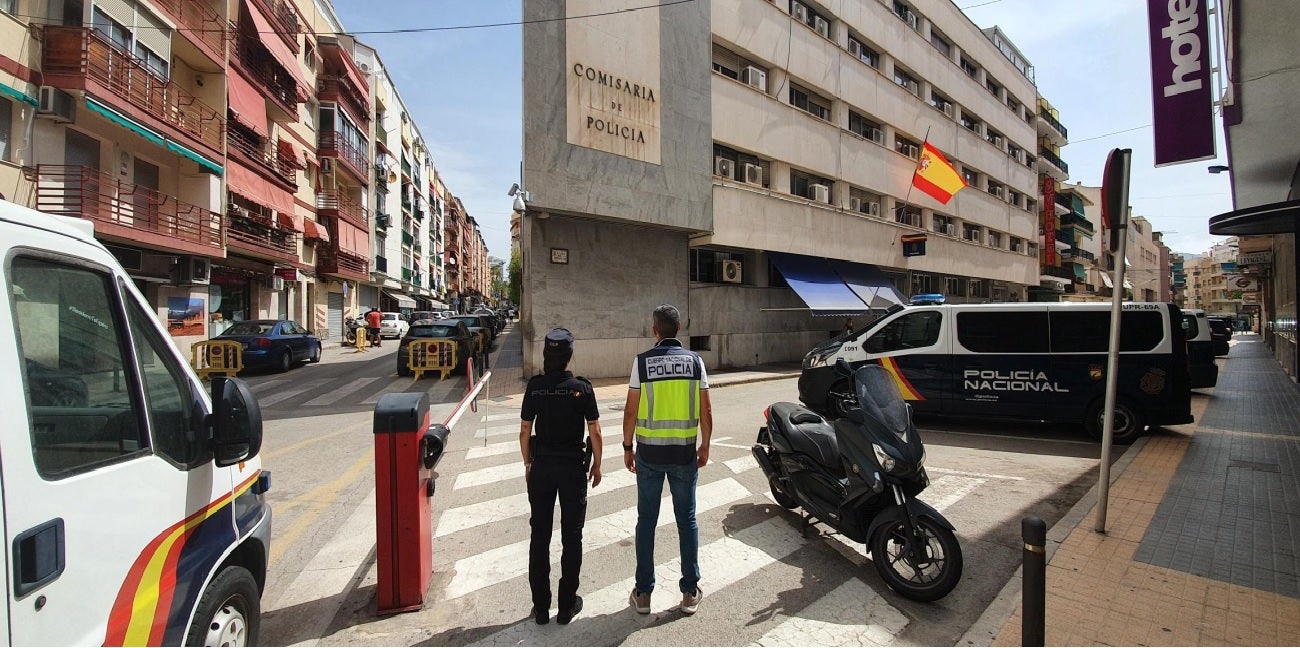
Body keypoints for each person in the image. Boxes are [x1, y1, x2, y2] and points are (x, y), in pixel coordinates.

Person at [623, 304, 711, 616]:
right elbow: (706, 409)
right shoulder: (695, 362)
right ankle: (689, 591)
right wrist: (706, 445)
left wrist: (627, 446)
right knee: (687, 520)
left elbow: (631, 410)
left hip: (649, 454)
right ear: (680, 328)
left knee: (646, 521)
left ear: (655, 331)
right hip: (684, 454)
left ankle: (644, 593)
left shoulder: (642, 363)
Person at [520, 327, 603, 625]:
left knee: (539, 536)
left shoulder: (536, 387)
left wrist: (528, 463)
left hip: (542, 468)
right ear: (569, 355)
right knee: (572, 537)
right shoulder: (582, 388)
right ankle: (567, 606)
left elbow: (525, 430)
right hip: (572, 470)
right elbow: (594, 430)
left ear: (546, 354)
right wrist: (598, 465)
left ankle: (541, 608)